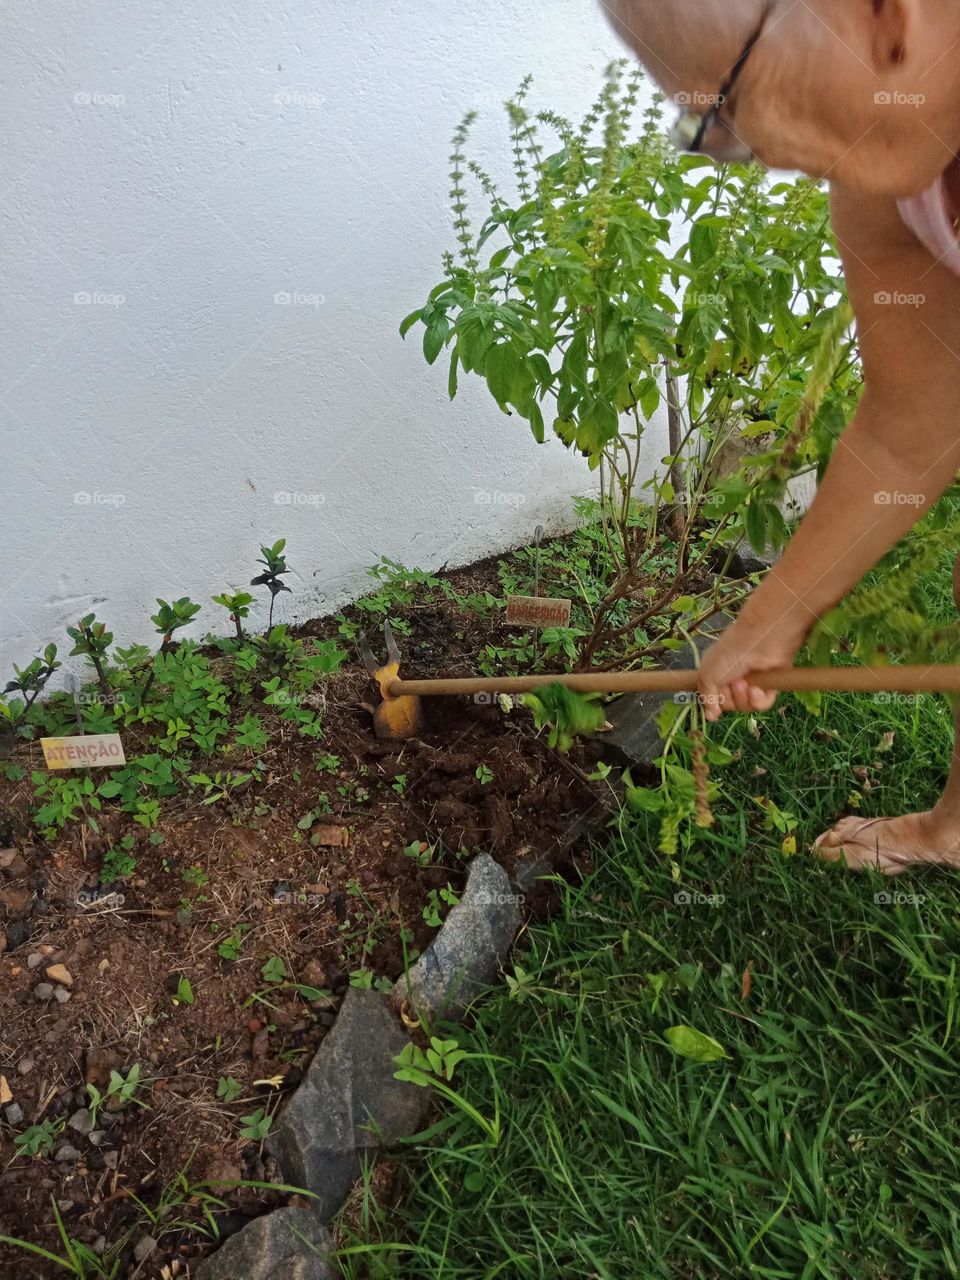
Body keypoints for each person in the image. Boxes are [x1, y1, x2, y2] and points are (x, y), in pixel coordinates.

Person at [603, 0, 960, 873]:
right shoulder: (892, 178)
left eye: (726, 104)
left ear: (891, 21)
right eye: (704, 127)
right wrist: (772, 620)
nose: (749, 151)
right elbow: (913, 425)